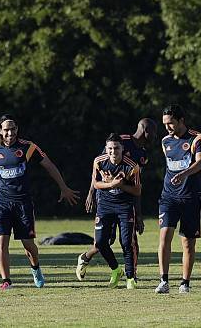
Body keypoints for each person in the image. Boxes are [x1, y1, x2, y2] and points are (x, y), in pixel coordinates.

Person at [0, 114, 79, 290]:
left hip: (23, 204)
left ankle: (35, 268)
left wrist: (63, 187)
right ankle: (6, 281)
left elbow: (49, 165)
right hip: (2, 204)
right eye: (6, 130)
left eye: (13, 129)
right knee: (2, 242)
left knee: (28, 245)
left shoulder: (28, 147)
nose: (10, 133)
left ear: (17, 130)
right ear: (0, 131)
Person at [76, 118, 157, 283]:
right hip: (106, 197)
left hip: (125, 201)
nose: (155, 136)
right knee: (105, 241)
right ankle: (85, 257)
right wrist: (91, 192)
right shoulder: (120, 141)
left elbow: (136, 187)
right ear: (145, 130)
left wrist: (139, 214)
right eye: (154, 132)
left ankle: (131, 275)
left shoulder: (142, 155)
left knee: (129, 240)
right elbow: (100, 170)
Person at [155, 105, 201, 294]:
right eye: (165, 124)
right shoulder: (165, 141)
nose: (167, 127)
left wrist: (184, 174)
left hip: (190, 197)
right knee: (164, 235)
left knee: (187, 242)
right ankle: (163, 280)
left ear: (181, 120)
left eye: (170, 123)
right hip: (168, 197)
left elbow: (200, 162)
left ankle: (185, 283)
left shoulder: (197, 138)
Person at [93, 133, 141, 289]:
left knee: (127, 242)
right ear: (106, 149)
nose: (113, 152)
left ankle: (130, 277)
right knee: (100, 242)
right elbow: (96, 184)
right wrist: (112, 185)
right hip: (105, 205)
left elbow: (137, 191)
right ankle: (115, 269)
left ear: (122, 149)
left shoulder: (132, 166)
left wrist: (121, 186)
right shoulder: (99, 162)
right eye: (110, 149)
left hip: (124, 206)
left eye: (116, 148)